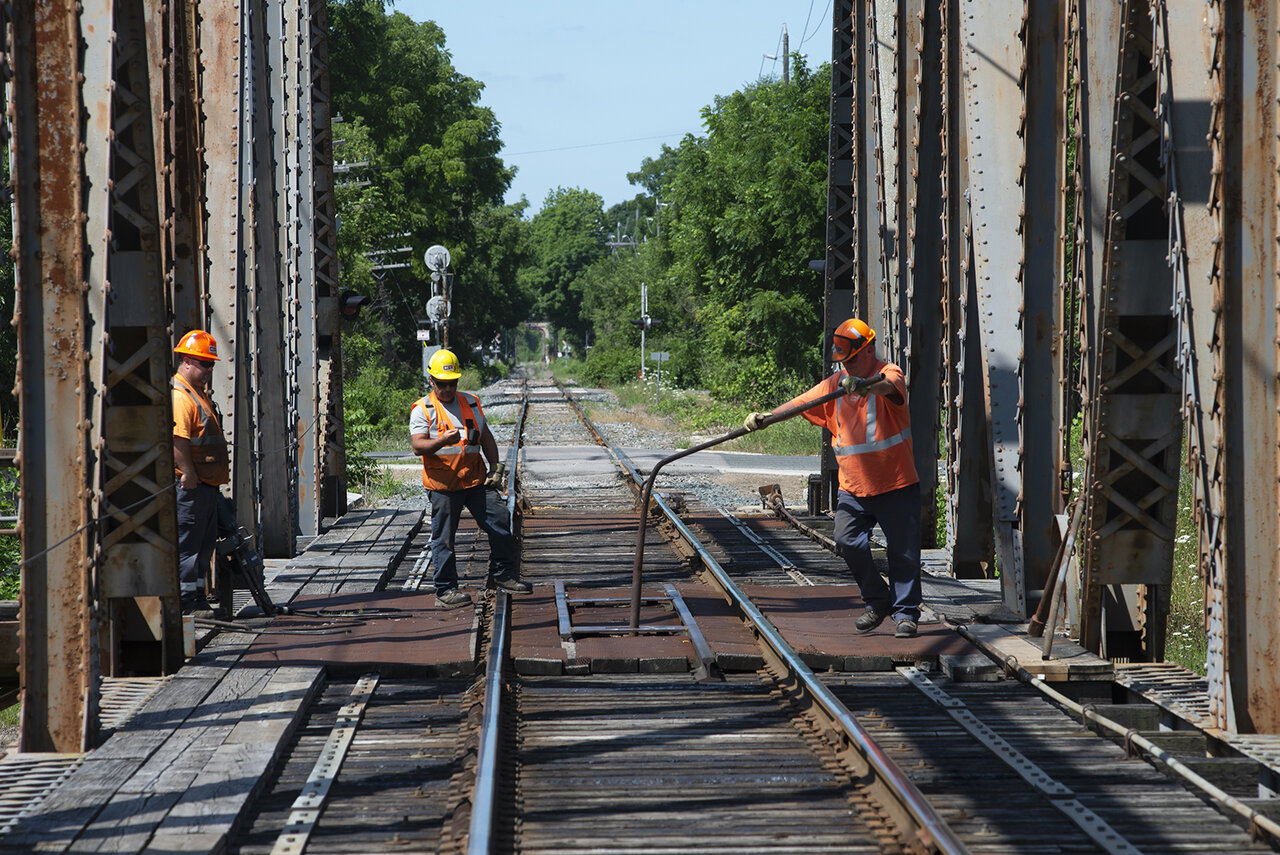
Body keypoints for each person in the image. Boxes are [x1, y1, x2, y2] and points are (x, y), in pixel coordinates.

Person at [743, 318, 922, 638]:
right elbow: (800, 403)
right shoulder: (836, 385)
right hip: (854, 488)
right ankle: (878, 601)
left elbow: (889, 387)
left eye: (852, 358)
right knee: (847, 541)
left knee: (903, 552)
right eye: (843, 361)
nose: (847, 365)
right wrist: (765, 420)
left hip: (896, 483)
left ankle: (906, 613)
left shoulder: (891, 371)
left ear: (868, 349)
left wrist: (865, 385)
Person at [410, 349, 530, 608]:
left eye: (452, 383)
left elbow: (485, 436)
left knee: (500, 520)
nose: (447, 389)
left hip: (475, 481)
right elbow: (418, 446)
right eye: (442, 384)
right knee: (444, 538)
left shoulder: (471, 403)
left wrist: (495, 467)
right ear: (432, 381)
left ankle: (504, 575)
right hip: (443, 486)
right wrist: (442, 440)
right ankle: (445, 590)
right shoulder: (424, 409)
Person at [172, 330, 230, 613]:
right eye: (204, 364)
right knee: (188, 549)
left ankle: (197, 599)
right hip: (191, 488)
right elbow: (178, 439)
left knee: (203, 548)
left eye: (212, 365)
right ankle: (185, 605)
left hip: (206, 487)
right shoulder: (181, 397)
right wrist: (187, 472)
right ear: (186, 360)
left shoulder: (198, 395)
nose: (209, 370)